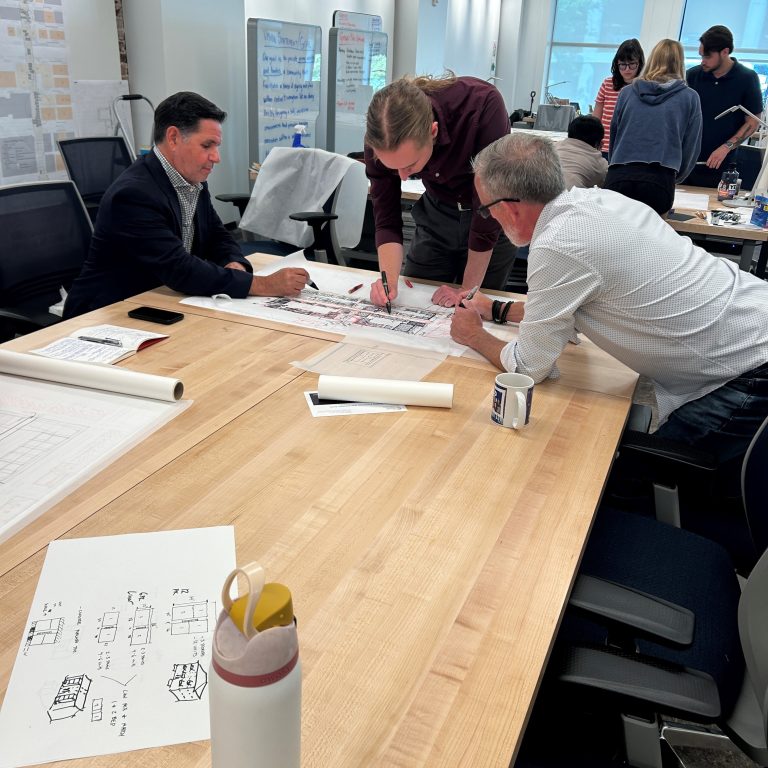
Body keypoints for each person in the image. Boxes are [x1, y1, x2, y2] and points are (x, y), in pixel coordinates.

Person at [451, 133, 768, 475]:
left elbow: (530, 368)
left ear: (510, 207)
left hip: (746, 371)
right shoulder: (599, 202)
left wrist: (474, 336)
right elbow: (566, 312)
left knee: (628, 479)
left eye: (487, 209)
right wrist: (496, 310)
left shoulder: (559, 243)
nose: (490, 219)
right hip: (752, 318)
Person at [64, 91, 309, 318]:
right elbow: (178, 268)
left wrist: (233, 263)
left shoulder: (191, 178)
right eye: (207, 146)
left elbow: (216, 235)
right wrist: (264, 285)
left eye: (216, 146)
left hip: (161, 301)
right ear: (173, 138)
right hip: (107, 314)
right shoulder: (133, 194)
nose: (216, 157)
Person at [363, 74, 517, 309]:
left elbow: (486, 213)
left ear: (433, 132)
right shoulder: (380, 136)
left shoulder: (482, 105)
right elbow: (386, 218)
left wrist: (467, 295)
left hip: (493, 216)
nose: (403, 177)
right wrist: (388, 281)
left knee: (477, 310)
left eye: (410, 165)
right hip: (437, 213)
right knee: (417, 301)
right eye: (393, 168)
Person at [605, 39, 702, 215]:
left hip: (619, 175)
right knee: (652, 240)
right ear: (680, 62)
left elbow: (614, 135)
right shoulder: (689, 98)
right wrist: (675, 177)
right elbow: (691, 146)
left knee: (612, 239)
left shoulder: (627, 93)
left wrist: (615, 164)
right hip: (659, 178)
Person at [685, 25, 763, 188]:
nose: (702, 61)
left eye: (707, 56)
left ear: (725, 52)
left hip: (721, 164)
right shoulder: (693, 75)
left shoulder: (747, 78)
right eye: (701, 55)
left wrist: (726, 147)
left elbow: (753, 122)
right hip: (687, 162)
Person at [592, 38, 644, 156]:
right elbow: (595, 119)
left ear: (639, 63)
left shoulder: (644, 87)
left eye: (632, 65)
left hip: (630, 148)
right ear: (616, 64)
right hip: (605, 146)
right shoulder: (608, 83)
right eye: (622, 65)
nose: (627, 70)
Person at [554, 115, 608, 189]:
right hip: (568, 198)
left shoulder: (554, 146)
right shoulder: (600, 163)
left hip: (537, 193)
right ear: (599, 143)